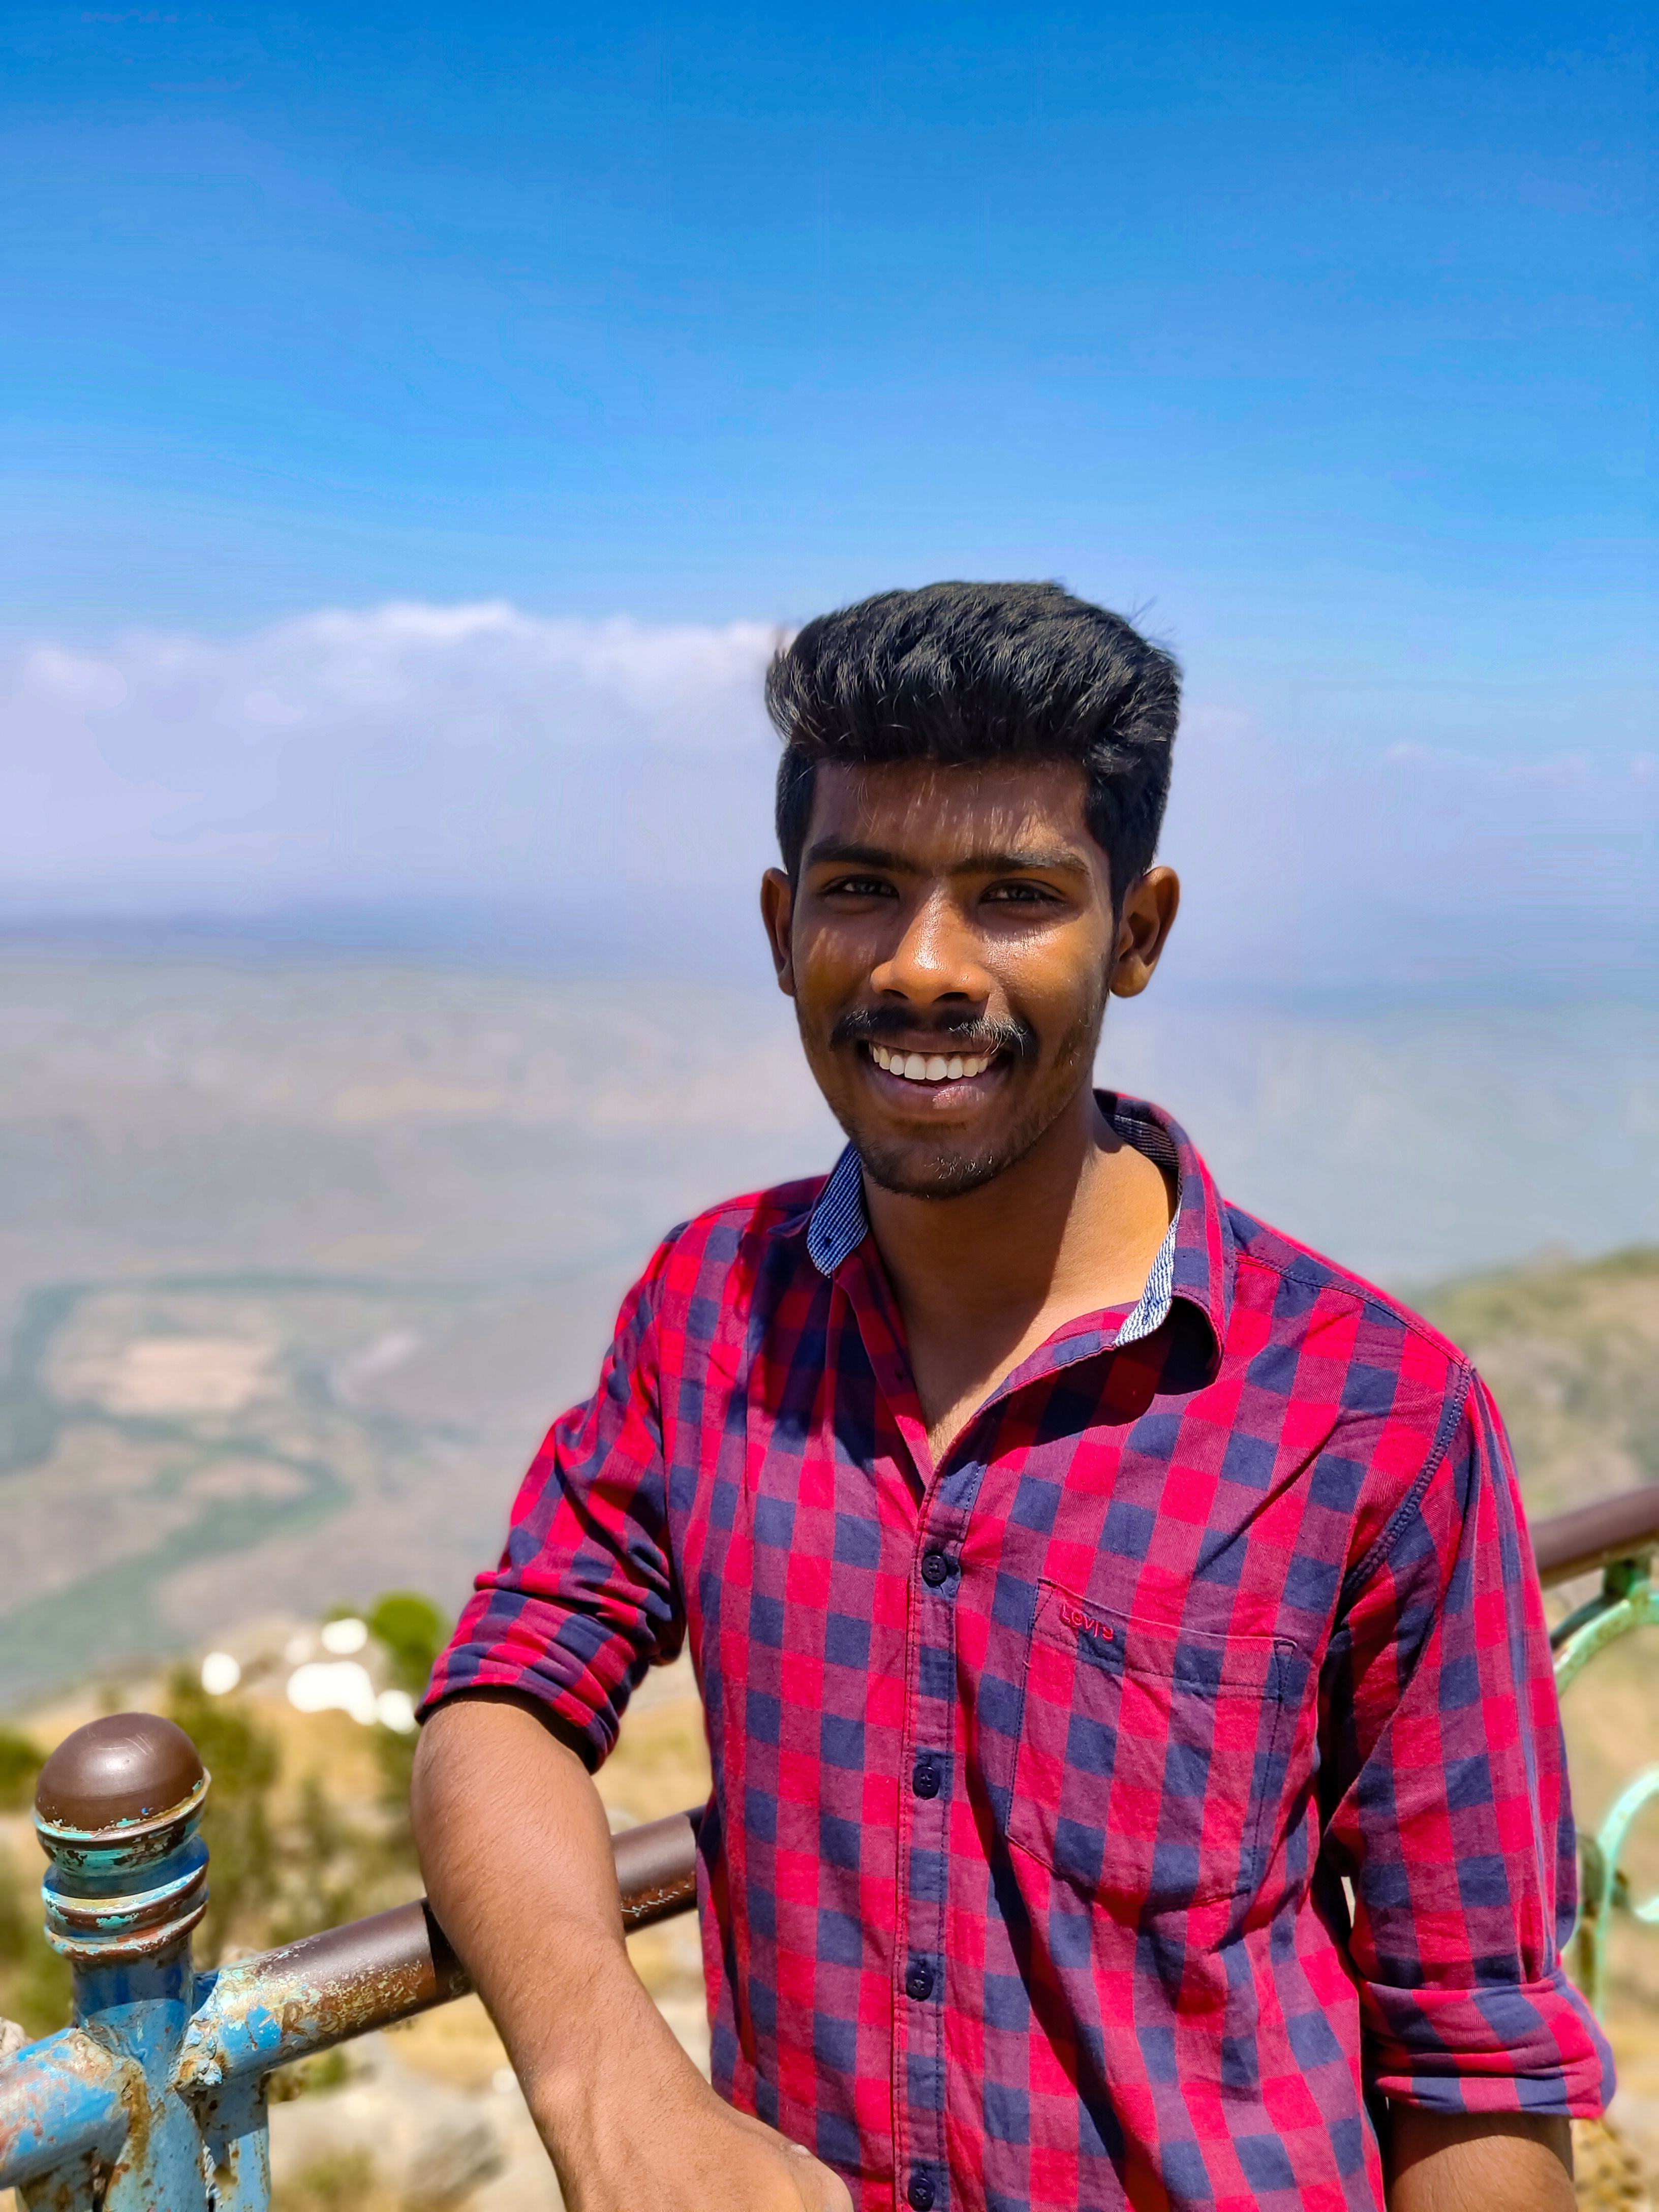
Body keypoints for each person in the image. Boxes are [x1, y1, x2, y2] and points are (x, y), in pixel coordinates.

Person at [411, 582, 1610, 2212]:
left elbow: (1475, 2055)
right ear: (780, 926)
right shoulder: (711, 1314)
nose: (923, 967)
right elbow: (504, 1695)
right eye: (863, 888)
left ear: (1138, 933)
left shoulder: (1371, 1416)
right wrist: (613, 2089)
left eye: (1015, 896)